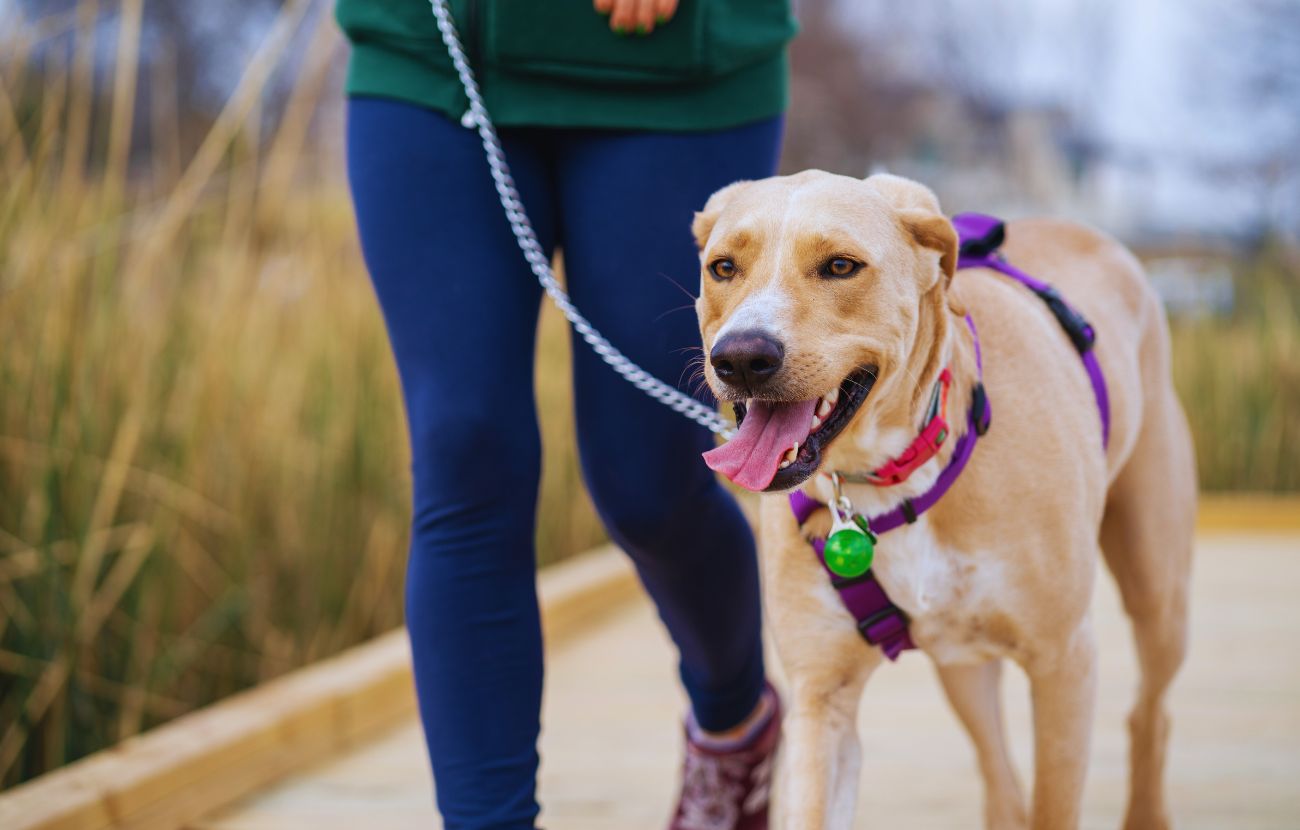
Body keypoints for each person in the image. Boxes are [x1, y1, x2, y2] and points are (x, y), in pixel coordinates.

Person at [337, 1, 795, 827]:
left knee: (650, 484)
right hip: (433, 63)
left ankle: (736, 723)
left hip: (675, 72)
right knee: (464, 450)